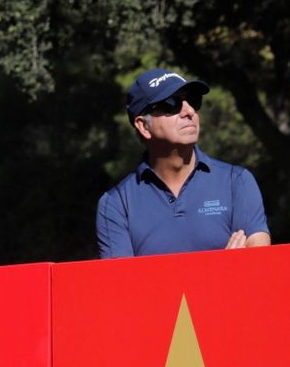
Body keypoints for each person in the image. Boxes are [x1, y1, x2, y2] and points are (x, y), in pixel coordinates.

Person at [97, 68, 270, 258]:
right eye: (172, 104)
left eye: (193, 101)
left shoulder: (237, 182)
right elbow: (122, 285)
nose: (189, 111)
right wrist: (224, 268)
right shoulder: (116, 204)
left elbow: (258, 269)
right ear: (143, 126)